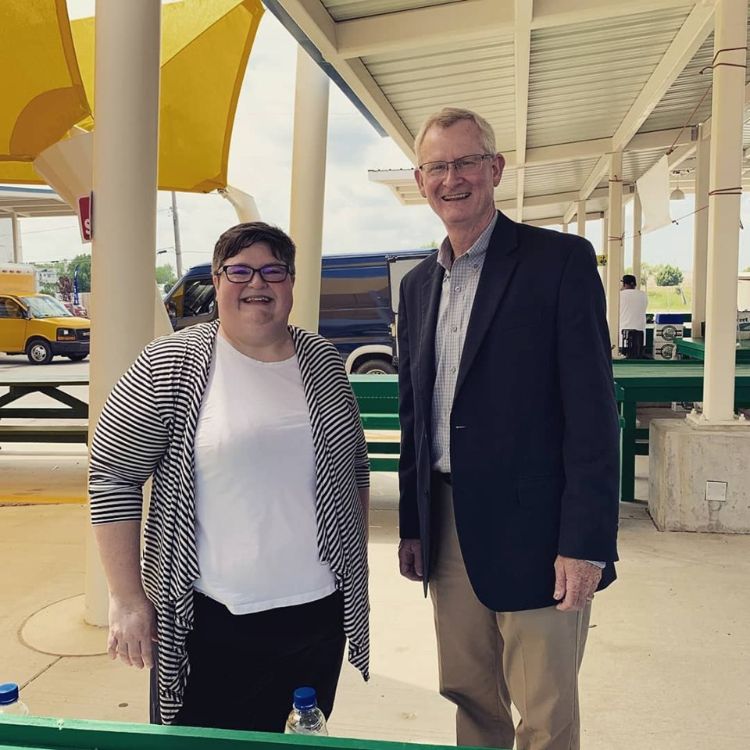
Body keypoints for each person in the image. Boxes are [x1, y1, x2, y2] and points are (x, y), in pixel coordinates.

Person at [396, 108, 620, 750]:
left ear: (495, 169)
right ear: (420, 180)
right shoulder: (417, 286)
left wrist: (585, 542)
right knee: (469, 695)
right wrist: (415, 525)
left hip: (538, 532)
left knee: (545, 711)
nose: (452, 178)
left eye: (466, 161)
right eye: (438, 166)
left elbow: (591, 414)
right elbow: (418, 412)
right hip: (448, 526)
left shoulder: (558, 262)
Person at [89, 222, 370, 731]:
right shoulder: (169, 362)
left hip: (316, 617)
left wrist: (354, 564)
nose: (256, 283)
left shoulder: (322, 360)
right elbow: (113, 474)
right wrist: (126, 597)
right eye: (239, 270)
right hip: (212, 620)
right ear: (217, 282)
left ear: (290, 281)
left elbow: (354, 470)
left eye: (272, 270)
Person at [619, 273, 648, 358]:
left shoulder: (619, 295)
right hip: (640, 337)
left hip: (622, 338)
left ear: (624, 284)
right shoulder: (643, 295)